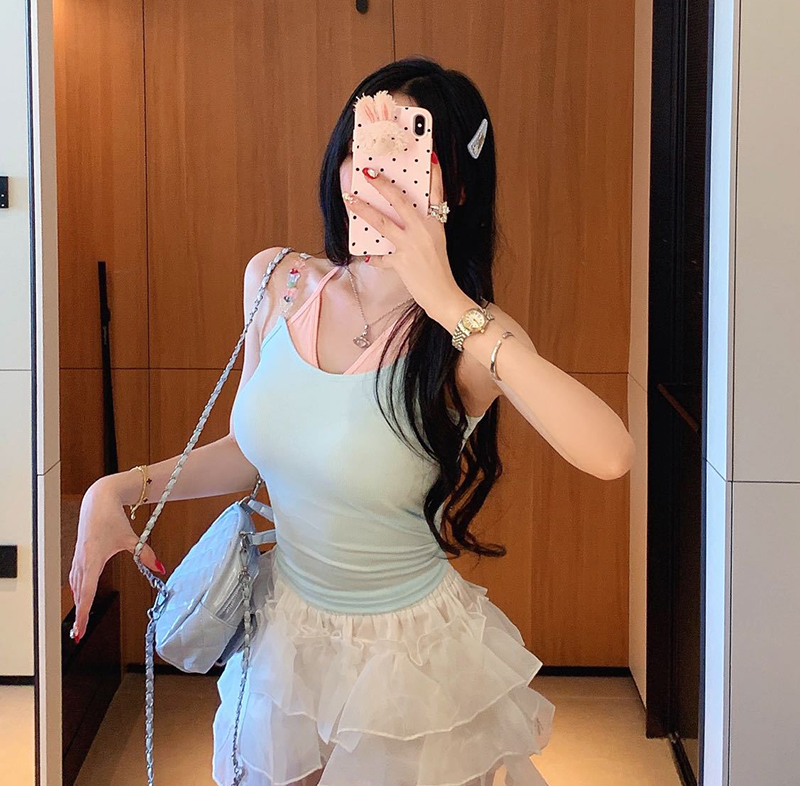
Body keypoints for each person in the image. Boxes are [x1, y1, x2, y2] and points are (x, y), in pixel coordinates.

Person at [69, 57, 635, 786]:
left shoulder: (469, 337)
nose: (374, 174)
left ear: (457, 188)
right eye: (363, 146)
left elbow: (611, 453)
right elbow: (253, 451)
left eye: (406, 151)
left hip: (411, 659)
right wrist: (117, 489)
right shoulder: (278, 280)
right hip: (285, 635)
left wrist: (447, 301)